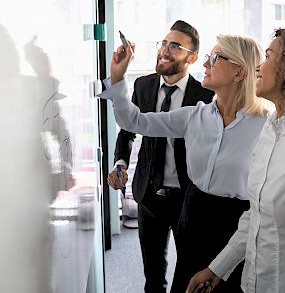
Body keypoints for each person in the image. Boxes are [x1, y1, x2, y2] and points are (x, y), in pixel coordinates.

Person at [101, 33, 271, 292]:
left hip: (238, 223)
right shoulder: (195, 116)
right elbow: (135, 122)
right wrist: (117, 78)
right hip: (193, 213)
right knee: (186, 283)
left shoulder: (266, 126)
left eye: (215, 58)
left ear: (240, 72)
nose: (205, 65)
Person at [185, 23, 285, 293]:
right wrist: (216, 269)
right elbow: (256, 216)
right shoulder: (272, 128)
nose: (259, 67)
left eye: (269, 57)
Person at [106, 20, 214, 293]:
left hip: (188, 198)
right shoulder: (143, 85)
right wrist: (120, 163)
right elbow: (128, 131)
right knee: (153, 277)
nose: (164, 51)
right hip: (149, 195)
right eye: (163, 43)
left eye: (175, 46)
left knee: (188, 274)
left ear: (192, 58)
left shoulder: (205, 96)